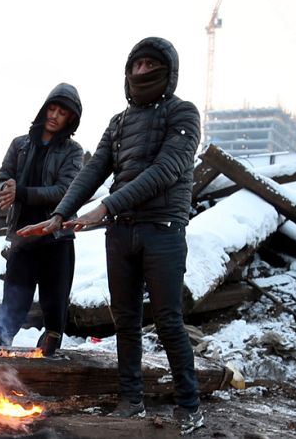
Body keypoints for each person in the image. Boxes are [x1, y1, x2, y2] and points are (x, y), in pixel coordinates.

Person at [17, 37, 204, 433]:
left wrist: (105, 207)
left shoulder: (183, 113)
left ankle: (189, 404)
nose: (142, 72)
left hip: (162, 229)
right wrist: (59, 215)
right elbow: (92, 170)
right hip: (121, 233)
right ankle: (130, 399)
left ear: (168, 72)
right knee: (125, 321)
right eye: (136, 65)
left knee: (169, 319)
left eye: (151, 65)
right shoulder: (118, 123)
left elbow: (166, 169)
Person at [0, 83, 84, 357]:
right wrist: (5, 189)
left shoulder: (73, 152)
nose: (54, 115)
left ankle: (48, 366)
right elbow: (3, 176)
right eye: (52, 108)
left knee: (54, 308)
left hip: (56, 239)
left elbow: (66, 191)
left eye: (62, 112)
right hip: (23, 237)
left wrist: (22, 193)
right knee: (14, 303)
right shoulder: (20, 144)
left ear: (70, 119)